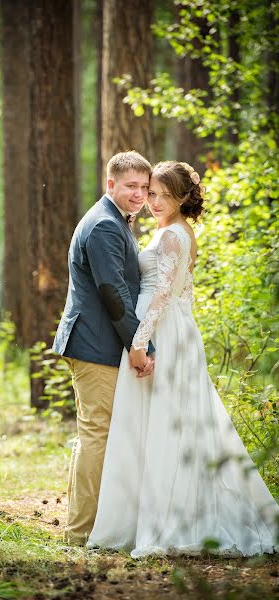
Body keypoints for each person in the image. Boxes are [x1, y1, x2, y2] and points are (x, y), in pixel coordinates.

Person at [87, 161, 279, 557]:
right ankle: (141, 514)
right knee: (151, 420)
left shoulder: (174, 234)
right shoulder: (166, 230)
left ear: (182, 199)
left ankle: (173, 519)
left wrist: (140, 342)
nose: (154, 202)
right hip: (166, 326)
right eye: (152, 194)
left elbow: (163, 297)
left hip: (162, 331)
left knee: (168, 422)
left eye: (163, 196)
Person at [53, 151, 155, 545]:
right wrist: (138, 342)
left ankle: (87, 525)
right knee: (96, 434)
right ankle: (80, 532)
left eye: (145, 188)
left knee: (96, 434)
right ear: (110, 184)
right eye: (131, 186)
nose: (139, 194)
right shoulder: (104, 227)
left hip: (98, 342)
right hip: (94, 344)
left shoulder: (116, 221)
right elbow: (113, 292)